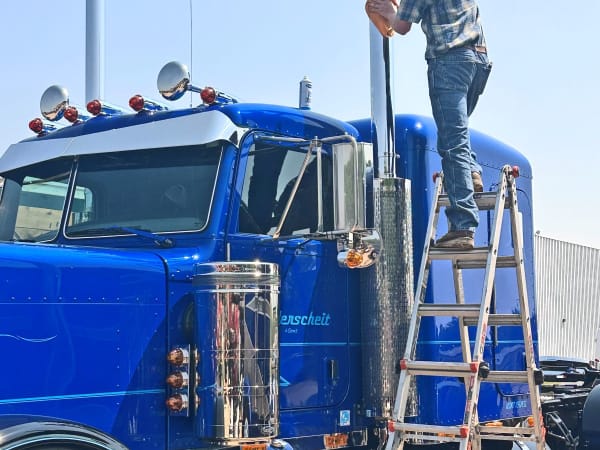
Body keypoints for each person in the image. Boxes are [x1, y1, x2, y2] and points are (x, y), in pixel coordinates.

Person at [367, 0, 492, 249]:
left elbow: (401, 26)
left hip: (449, 62)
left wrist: (384, 10)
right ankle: (472, 171)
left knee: (451, 144)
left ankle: (462, 226)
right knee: (456, 135)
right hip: (478, 61)